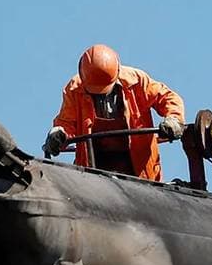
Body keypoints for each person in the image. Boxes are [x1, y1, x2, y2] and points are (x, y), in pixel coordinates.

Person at [42, 44, 185, 182]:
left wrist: (174, 119)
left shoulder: (137, 81)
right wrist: (59, 134)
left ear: (116, 73)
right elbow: (66, 123)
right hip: (94, 170)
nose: (100, 95)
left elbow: (167, 97)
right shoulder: (74, 90)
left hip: (139, 169)